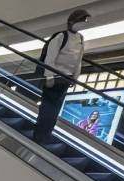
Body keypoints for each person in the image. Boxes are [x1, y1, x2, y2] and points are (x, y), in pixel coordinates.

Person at [33, 10, 89, 144]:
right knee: (47, 108)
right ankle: (39, 135)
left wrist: (75, 77)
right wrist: (49, 77)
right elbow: (50, 58)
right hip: (54, 77)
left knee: (55, 109)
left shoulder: (80, 38)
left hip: (66, 78)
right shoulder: (60, 37)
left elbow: (78, 59)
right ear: (73, 22)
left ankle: (46, 134)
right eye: (81, 22)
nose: (82, 25)